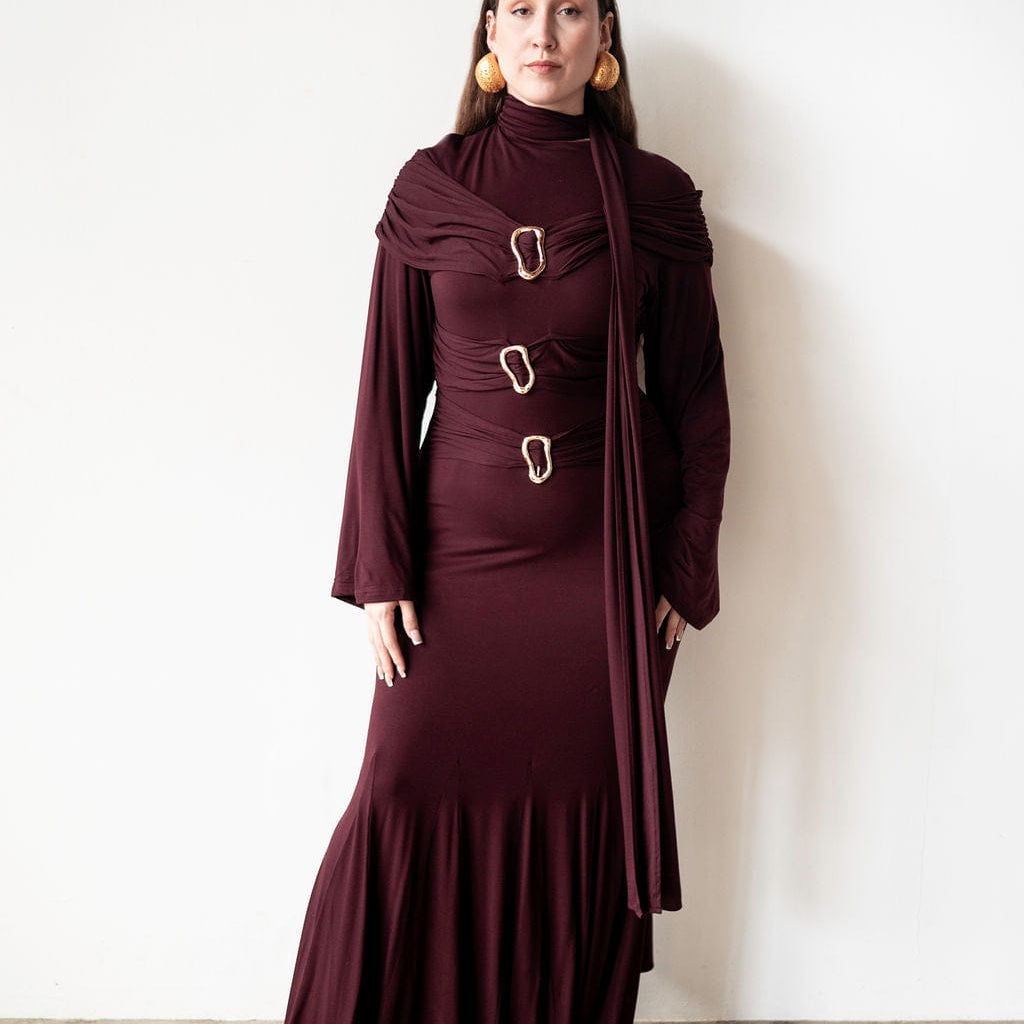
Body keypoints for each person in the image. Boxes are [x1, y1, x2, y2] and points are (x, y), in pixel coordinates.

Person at [283, 1, 731, 1021]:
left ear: (603, 38)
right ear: (488, 34)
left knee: (578, 826)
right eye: (520, 9)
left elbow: (698, 398)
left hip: (600, 576)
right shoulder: (430, 188)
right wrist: (380, 573)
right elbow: (386, 393)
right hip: (453, 566)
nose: (544, 33)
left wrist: (685, 561)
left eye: (570, 10)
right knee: (397, 795)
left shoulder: (654, 198)